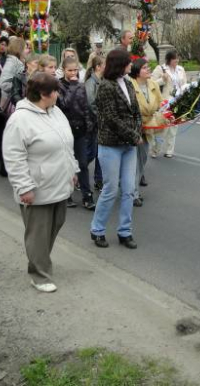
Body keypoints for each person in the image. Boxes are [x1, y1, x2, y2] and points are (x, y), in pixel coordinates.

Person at [2, 72, 78, 294]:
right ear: (44, 95)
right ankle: (39, 274)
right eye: (55, 91)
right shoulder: (19, 119)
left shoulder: (55, 112)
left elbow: (66, 144)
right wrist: (24, 187)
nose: (58, 94)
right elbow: (13, 156)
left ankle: (40, 261)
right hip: (38, 187)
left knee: (55, 225)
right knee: (38, 233)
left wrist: (72, 169)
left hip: (59, 182)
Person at [89, 49, 142, 250]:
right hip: (110, 145)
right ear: (120, 64)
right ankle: (98, 230)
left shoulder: (128, 83)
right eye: (128, 63)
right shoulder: (106, 86)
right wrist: (133, 135)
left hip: (129, 145)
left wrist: (137, 130)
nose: (131, 66)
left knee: (128, 190)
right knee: (111, 190)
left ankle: (125, 231)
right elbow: (110, 118)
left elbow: (136, 112)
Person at [57, 57, 95, 210]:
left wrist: (89, 125)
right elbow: (65, 103)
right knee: (67, 164)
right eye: (70, 70)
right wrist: (72, 85)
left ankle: (87, 195)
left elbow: (85, 106)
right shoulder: (58, 85)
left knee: (83, 164)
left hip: (80, 130)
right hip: (65, 130)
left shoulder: (80, 85)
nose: (73, 73)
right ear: (64, 70)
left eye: (75, 70)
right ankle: (67, 194)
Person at [130, 58, 163, 204]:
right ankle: (133, 194)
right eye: (145, 68)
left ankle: (131, 189)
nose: (149, 70)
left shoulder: (153, 84)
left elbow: (161, 105)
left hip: (148, 127)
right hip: (133, 129)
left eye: (148, 67)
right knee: (134, 162)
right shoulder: (130, 85)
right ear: (137, 72)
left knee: (142, 160)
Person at [0, 37, 28, 176]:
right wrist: (18, 87)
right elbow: (3, 83)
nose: (28, 50)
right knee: (11, 138)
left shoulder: (19, 61)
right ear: (19, 49)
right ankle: (5, 168)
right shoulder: (12, 61)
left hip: (17, 103)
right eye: (26, 47)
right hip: (11, 104)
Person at [151, 51, 187, 158]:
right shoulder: (160, 68)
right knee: (162, 127)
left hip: (177, 101)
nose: (176, 60)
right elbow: (151, 84)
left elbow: (184, 84)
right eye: (174, 59)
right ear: (169, 59)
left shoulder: (181, 69)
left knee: (173, 127)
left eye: (177, 58)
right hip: (164, 102)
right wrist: (162, 79)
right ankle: (155, 150)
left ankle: (169, 150)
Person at [84, 54, 105, 192]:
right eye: (104, 65)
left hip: (99, 123)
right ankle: (77, 173)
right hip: (93, 124)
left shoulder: (101, 80)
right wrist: (103, 117)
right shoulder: (91, 83)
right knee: (91, 153)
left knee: (99, 154)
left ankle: (99, 180)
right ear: (98, 67)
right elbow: (91, 104)